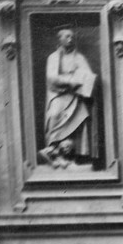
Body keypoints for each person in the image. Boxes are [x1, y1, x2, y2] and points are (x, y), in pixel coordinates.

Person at [40, 27, 97, 167]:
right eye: (67, 36)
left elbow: (88, 75)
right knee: (54, 116)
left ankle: (70, 157)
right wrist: (70, 81)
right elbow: (52, 78)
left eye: (72, 37)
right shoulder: (53, 57)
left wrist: (83, 80)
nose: (70, 39)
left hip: (75, 96)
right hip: (58, 94)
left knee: (79, 121)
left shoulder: (79, 57)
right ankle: (53, 151)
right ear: (59, 39)